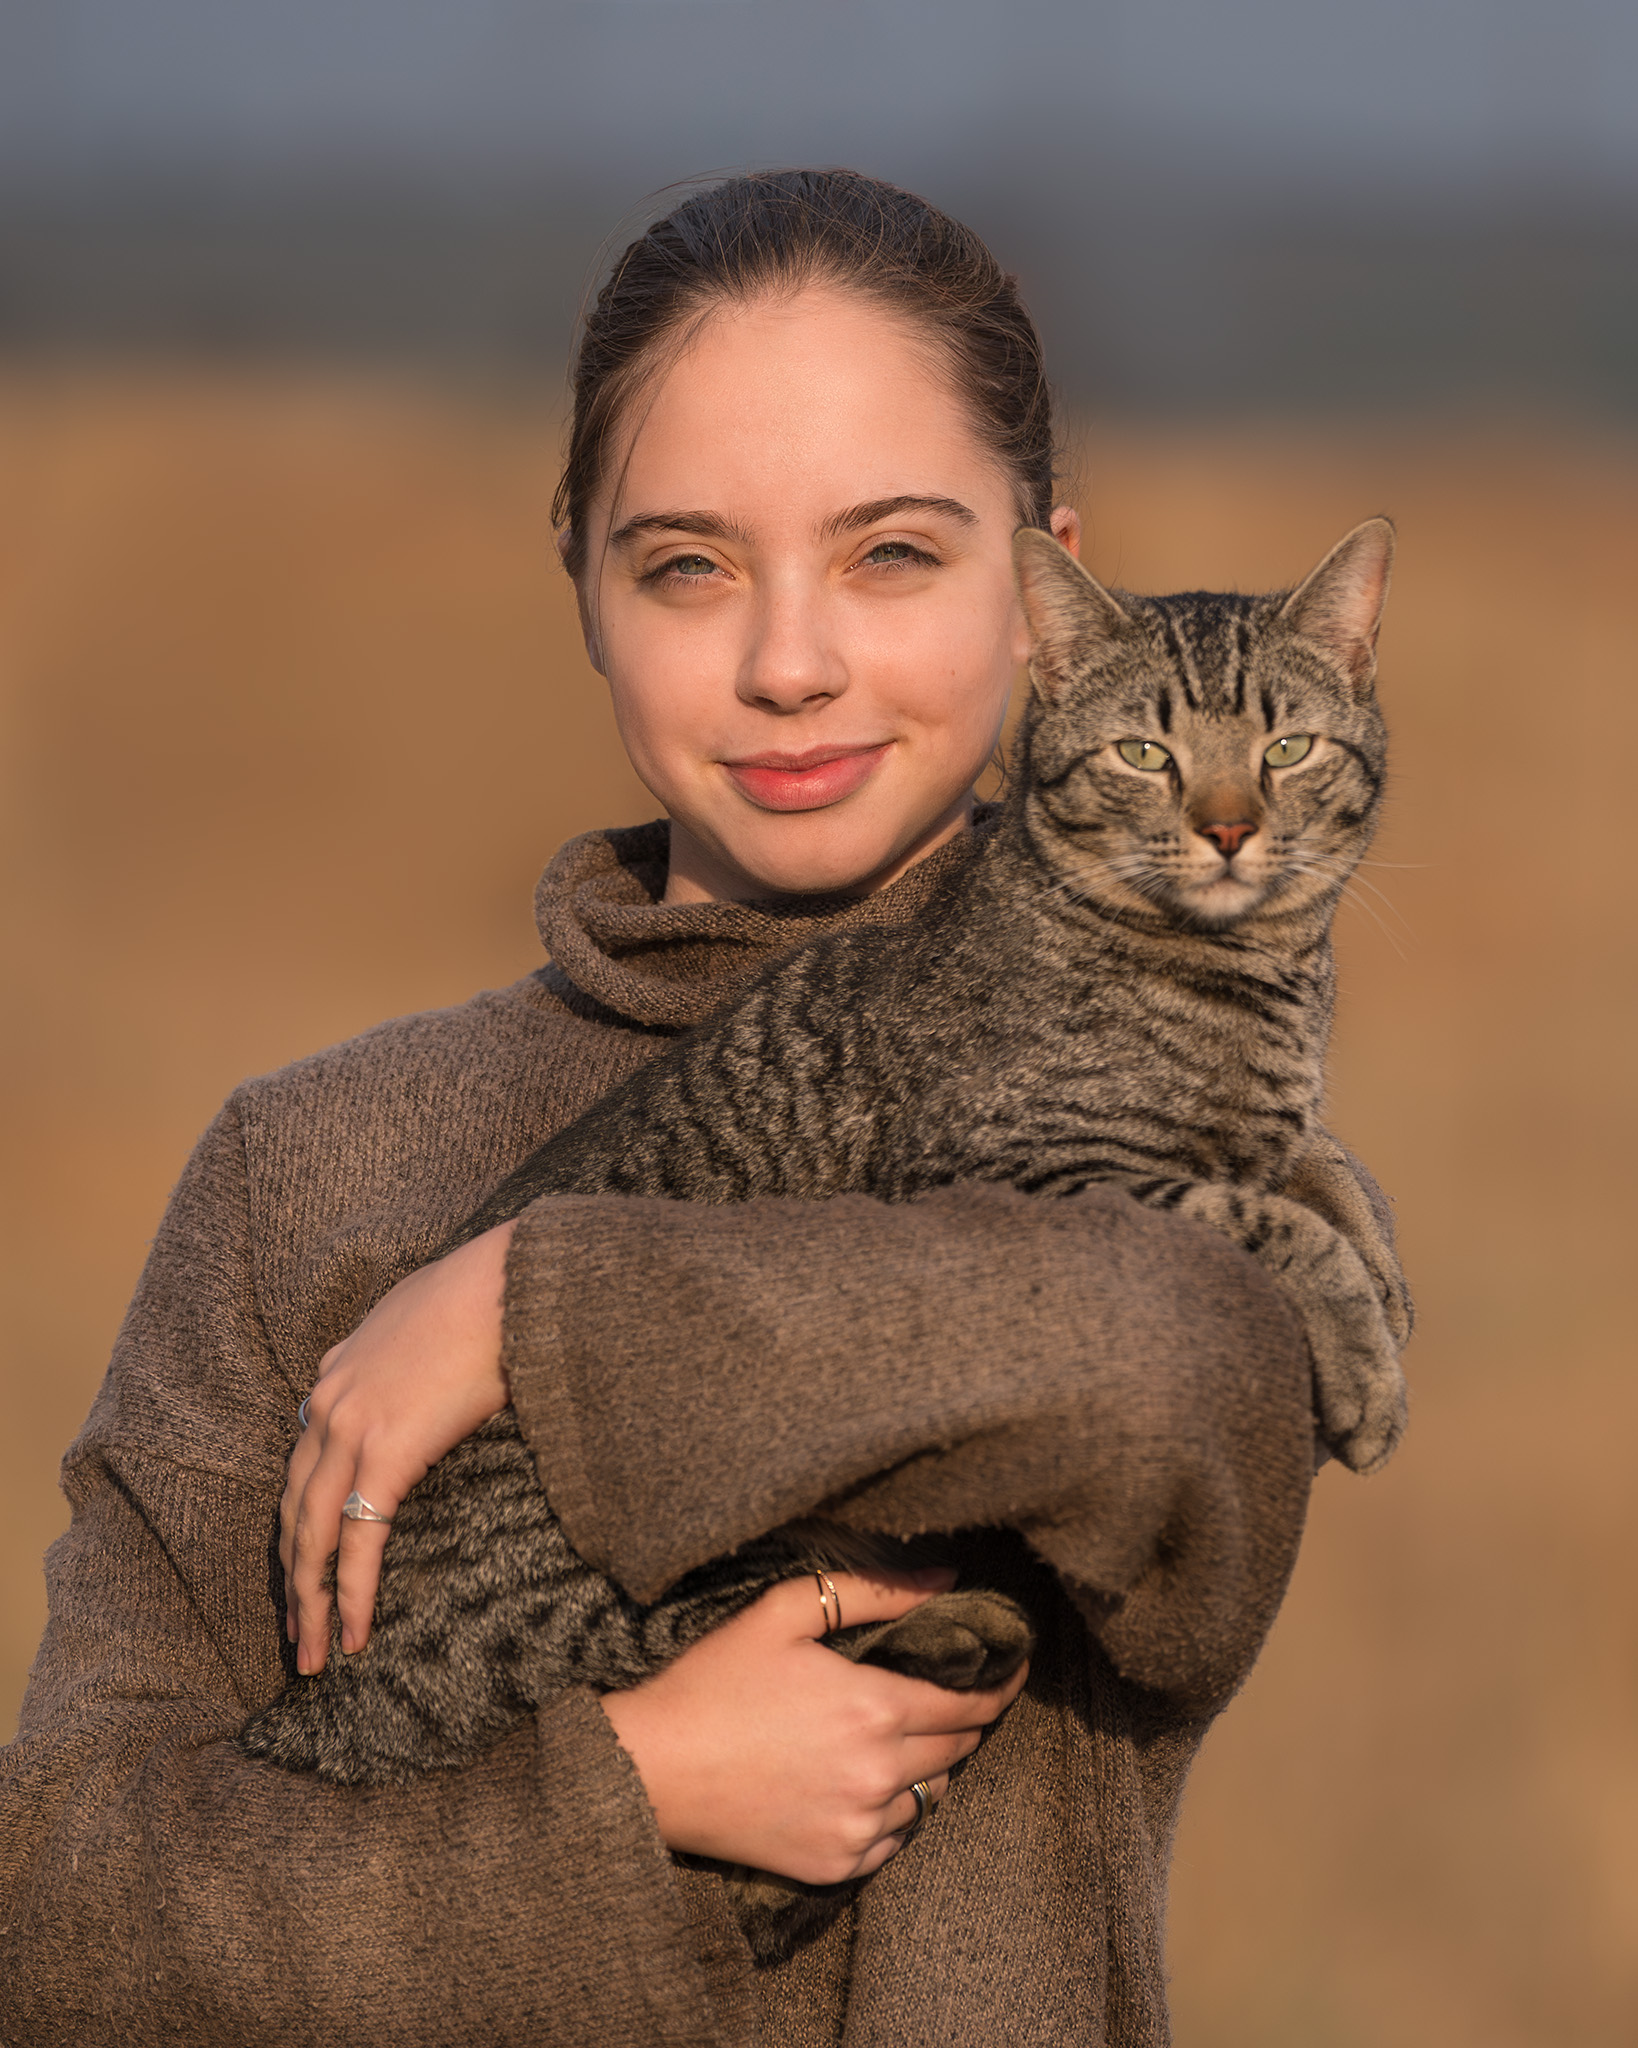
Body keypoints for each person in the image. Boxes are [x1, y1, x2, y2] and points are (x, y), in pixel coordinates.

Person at [0, 170, 1394, 2046]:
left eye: (892, 554)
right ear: (578, 581)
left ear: (1046, 590)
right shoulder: (306, 1164)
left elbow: (1146, 1354)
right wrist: (620, 1793)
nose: (787, 661)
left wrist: (535, 1308)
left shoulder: (1215, 1127)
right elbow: (60, 1915)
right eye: (686, 565)